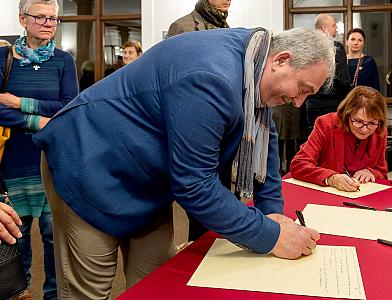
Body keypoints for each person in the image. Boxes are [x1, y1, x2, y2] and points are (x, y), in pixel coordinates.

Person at [34, 27, 335, 299]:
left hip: (148, 177)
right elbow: (195, 185)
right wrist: (270, 236)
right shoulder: (211, 76)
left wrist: (273, 215)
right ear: (281, 60)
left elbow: (264, 140)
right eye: (303, 89)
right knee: (90, 289)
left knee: (155, 284)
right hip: (90, 162)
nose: (298, 102)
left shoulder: (255, 63)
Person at [0, 0, 78, 299]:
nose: (48, 23)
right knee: (14, 239)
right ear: (23, 19)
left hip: (50, 162)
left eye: (53, 19)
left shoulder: (63, 60)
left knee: (54, 238)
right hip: (11, 165)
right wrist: (40, 119)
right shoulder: (3, 57)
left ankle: (54, 295)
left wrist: (19, 103)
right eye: (40, 17)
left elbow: (68, 106)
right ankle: (18, 293)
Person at [168, 0, 232, 241]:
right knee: (199, 201)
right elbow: (174, 77)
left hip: (222, 126)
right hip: (194, 125)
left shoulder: (226, 27)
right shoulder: (183, 26)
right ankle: (197, 254)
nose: (227, 0)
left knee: (222, 195)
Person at [290, 86, 388, 192]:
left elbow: (382, 172)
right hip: (323, 195)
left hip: (361, 198)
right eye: (358, 121)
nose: (364, 129)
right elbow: (299, 164)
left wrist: (371, 172)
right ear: (346, 115)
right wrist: (331, 178)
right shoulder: (326, 124)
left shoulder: (379, 131)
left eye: (372, 123)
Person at [305, 14, 350, 133]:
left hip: (311, 105)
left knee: (314, 143)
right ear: (325, 28)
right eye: (334, 25)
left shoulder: (306, 48)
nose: (336, 29)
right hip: (333, 105)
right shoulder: (336, 48)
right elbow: (343, 81)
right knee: (334, 145)